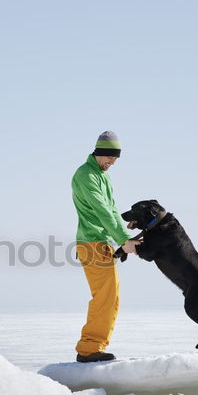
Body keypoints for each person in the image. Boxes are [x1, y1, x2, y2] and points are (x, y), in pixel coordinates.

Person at [71, 131, 142, 363]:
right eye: (110, 157)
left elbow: (110, 210)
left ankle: (95, 346)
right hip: (92, 243)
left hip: (102, 242)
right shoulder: (86, 175)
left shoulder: (102, 175)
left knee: (111, 297)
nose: (113, 162)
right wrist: (123, 239)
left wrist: (125, 229)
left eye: (116, 158)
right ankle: (89, 349)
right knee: (104, 297)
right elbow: (101, 210)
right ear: (100, 153)